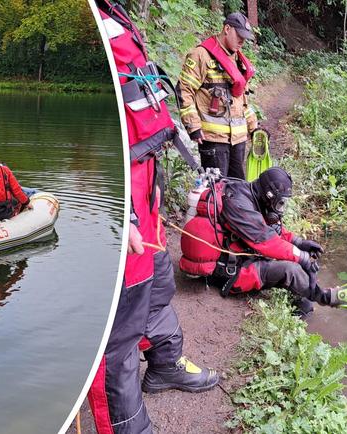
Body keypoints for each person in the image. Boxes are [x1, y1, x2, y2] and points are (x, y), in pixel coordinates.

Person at [89, 2, 220, 433]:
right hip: (121, 204)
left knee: (158, 284)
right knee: (120, 331)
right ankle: (129, 426)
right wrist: (121, 212)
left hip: (144, 186)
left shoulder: (115, 12)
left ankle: (165, 364)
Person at [179, 167, 332, 315]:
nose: (281, 208)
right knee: (290, 270)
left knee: (294, 260)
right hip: (227, 272)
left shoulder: (251, 193)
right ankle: (322, 298)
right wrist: (303, 258)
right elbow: (267, 242)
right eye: (280, 203)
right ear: (269, 195)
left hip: (236, 256)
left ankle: (307, 299)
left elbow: (269, 229)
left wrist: (297, 242)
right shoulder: (239, 205)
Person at [177, 12, 258, 179]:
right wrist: (193, 126)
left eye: (245, 38)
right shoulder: (200, 55)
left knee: (237, 191)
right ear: (227, 29)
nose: (242, 41)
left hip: (238, 139)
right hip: (213, 140)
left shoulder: (237, 60)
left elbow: (243, 101)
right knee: (216, 192)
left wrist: (254, 128)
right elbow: (185, 91)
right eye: (239, 35)